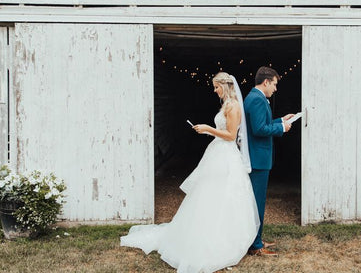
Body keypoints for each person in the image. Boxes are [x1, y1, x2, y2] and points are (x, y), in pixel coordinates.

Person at [120, 72, 259, 273]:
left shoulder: (234, 106)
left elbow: (230, 136)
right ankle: (204, 233)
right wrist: (207, 130)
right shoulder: (226, 105)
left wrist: (208, 129)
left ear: (224, 86)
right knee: (209, 196)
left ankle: (223, 240)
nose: (214, 90)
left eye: (216, 86)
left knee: (224, 196)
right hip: (217, 154)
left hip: (226, 157)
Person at [244, 66, 295, 257]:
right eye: (274, 84)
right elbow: (259, 129)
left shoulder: (255, 97)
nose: (275, 88)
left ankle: (255, 239)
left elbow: (263, 123)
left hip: (258, 158)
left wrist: (280, 119)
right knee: (256, 203)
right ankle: (255, 245)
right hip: (258, 160)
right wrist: (281, 127)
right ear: (266, 82)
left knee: (256, 202)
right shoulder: (257, 100)